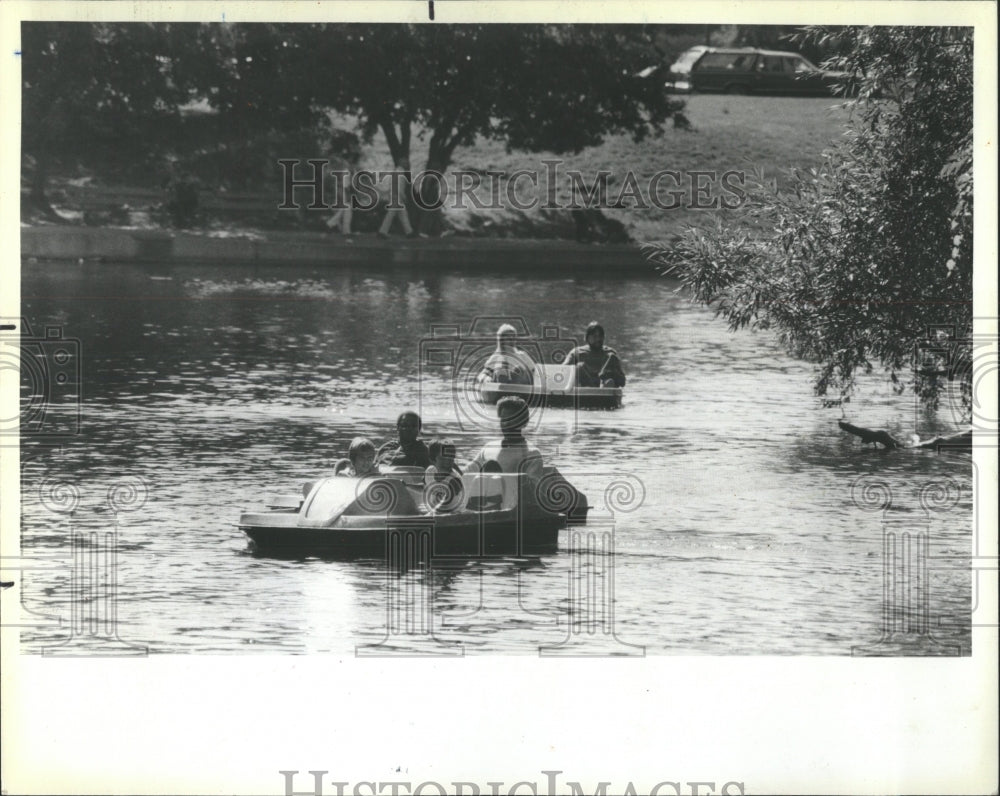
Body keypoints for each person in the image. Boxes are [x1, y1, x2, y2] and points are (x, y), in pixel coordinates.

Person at [468, 396, 544, 481]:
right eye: (503, 420)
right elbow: (466, 474)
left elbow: (531, 489)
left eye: (511, 419)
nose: (506, 424)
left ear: (523, 422)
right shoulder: (488, 448)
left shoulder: (532, 454)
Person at [562, 321, 626, 388]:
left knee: (612, 357)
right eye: (594, 336)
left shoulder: (610, 353)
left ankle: (604, 386)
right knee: (579, 367)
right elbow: (562, 371)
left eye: (600, 336)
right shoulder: (577, 353)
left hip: (606, 392)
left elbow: (623, 382)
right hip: (587, 392)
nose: (598, 339)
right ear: (587, 338)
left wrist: (612, 373)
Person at [377, 157, 419, 239]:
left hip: (394, 195)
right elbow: (399, 186)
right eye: (406, 162)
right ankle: (382, 232)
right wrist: (403, 196)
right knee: (392, 214)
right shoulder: (400, 173)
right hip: (397, 196)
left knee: (402, 214)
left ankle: (409, 232)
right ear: (402, 163)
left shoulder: (396, 172)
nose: (408, 164)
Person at [424, 437, 464, 512]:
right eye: (443, 458)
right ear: (432, 459)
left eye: (451, 458)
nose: (447, 462)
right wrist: (406, 486)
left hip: (453, 515)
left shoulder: (454, 480)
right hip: (435, 512)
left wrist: (427, 517)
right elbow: (424, 488)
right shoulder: (430, 471)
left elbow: (443, 505)